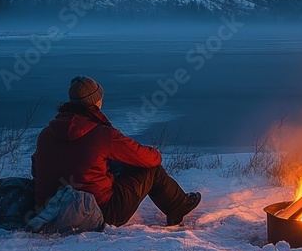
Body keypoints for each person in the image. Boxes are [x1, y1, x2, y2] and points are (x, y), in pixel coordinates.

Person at [31, 76, 201, 227]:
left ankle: (177, 205)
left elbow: (35, 171)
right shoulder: (102, 134)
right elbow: (150, 159)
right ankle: (179, 206)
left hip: (50, 209)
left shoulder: (46, 133)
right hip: (100, 212)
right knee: (151, 169)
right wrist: (155, 154)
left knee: (110, 164)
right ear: (96, 101)